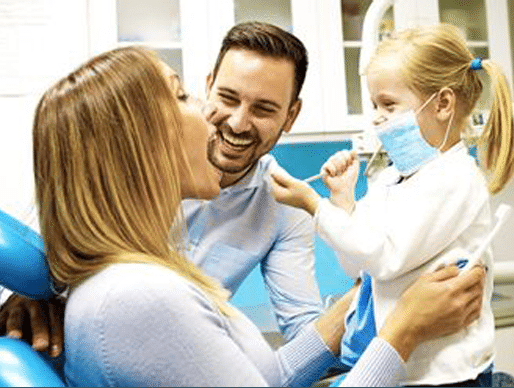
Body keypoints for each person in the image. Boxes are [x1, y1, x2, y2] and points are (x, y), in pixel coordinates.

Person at [0, 21, 486, 368]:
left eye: (263, 109)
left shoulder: (275, 206)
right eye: (218, 99)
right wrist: (27, 290)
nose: (233, 124)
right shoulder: (141, 288)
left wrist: (363, 312)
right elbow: (40, 243)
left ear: (290, 117)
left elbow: (282, 359)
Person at [271, 24, 514, 386]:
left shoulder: (455, 180)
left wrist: (314, 206)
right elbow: (357, 264)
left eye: (389, 104)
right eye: (374, 105)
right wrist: (342, 201)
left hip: (447, 378)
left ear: (443, 104)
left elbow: (385, 258)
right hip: (401, 370)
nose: (377, 117)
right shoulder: (392, 178)